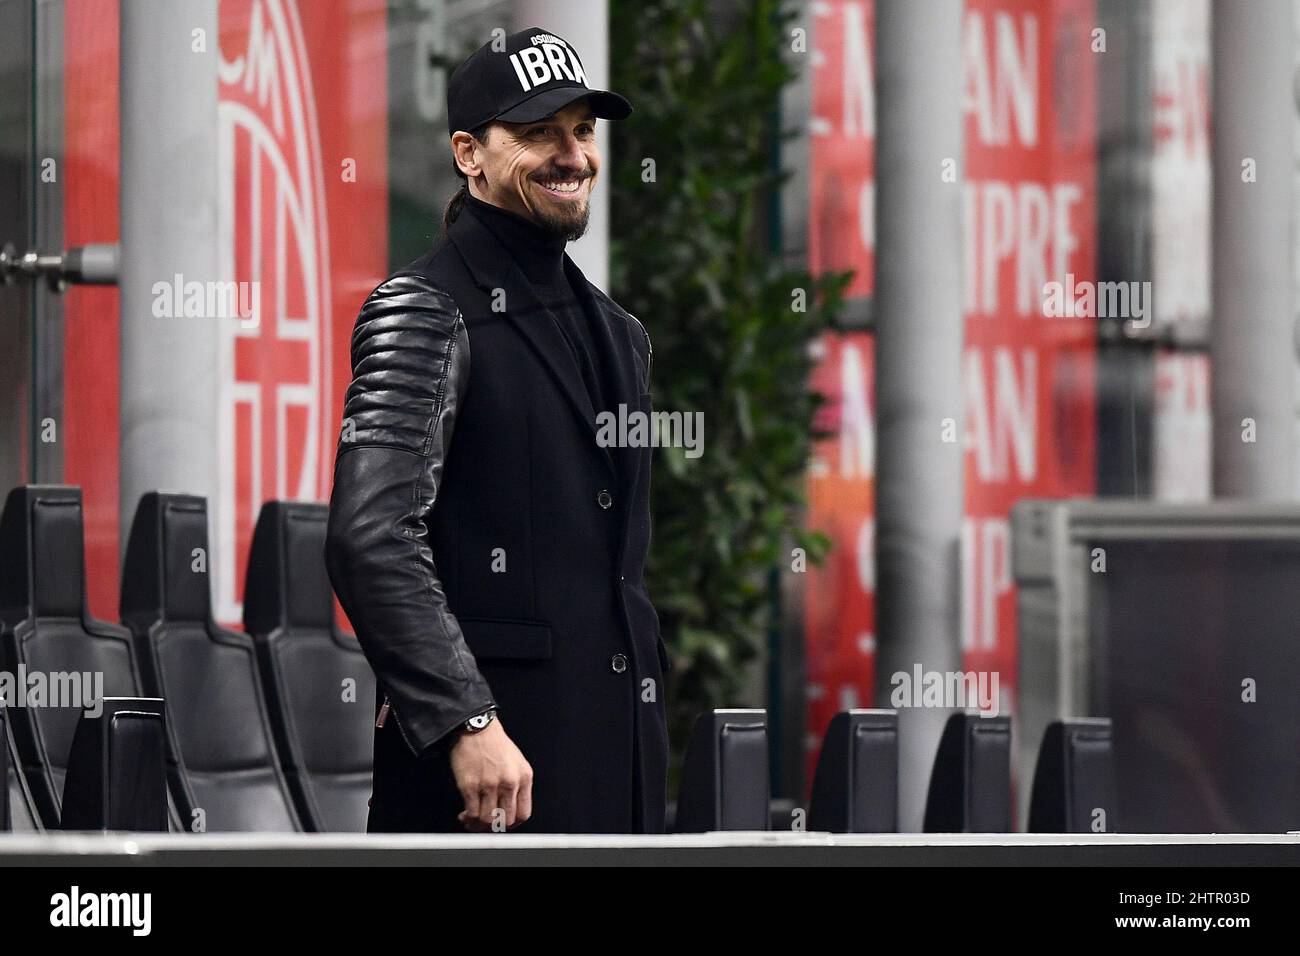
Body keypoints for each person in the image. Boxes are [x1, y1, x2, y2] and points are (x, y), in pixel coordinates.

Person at [324, 26, 670, 834]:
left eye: (582, 131)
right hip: (483, 789)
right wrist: (465, 721)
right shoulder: (424, 307)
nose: (571, 155)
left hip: (614, 770)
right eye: (537, 132)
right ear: (469, 153)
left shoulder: (621, 334)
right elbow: (370, 535)